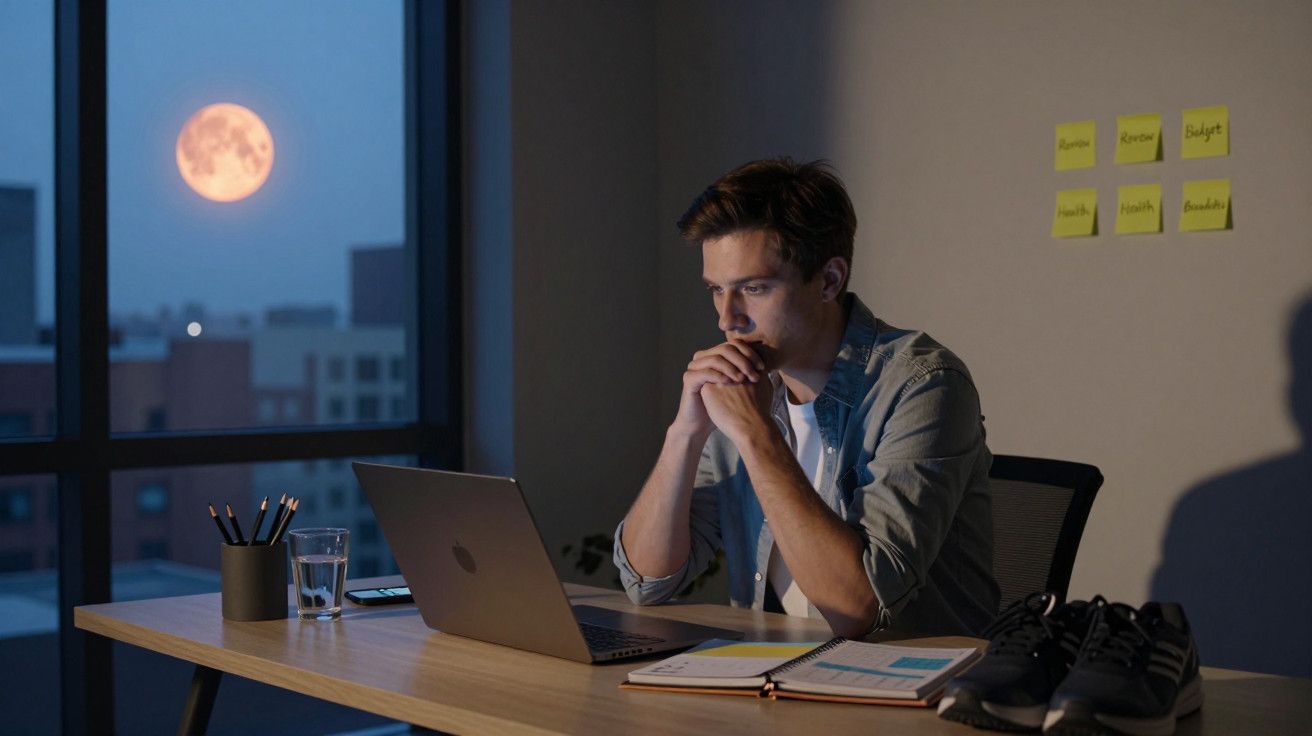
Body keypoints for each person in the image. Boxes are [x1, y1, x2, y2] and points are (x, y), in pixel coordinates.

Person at [612, 158, 999, 638]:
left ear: (830, 280)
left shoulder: (924, 385)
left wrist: (757, 435)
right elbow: (647, 581)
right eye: (716, 290)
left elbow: (858, 609)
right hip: (778, 676)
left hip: (906, 689)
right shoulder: (746, 387)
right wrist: (685, 433)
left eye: (754, 288)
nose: (727, 319)